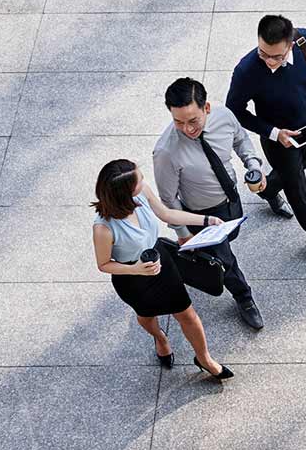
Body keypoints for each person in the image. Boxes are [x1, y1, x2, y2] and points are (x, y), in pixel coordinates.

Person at [91, 159, 233, 380]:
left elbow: (166, 214)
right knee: (147, 317)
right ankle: (160, 338)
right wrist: (137, 270)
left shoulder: (142, 193)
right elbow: (103, 264)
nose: (144, 181)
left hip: (161, 263)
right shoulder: (103, 227)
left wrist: (207, 220)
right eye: (139, 180)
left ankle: (204, 358)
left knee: (187, 313)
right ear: (125, 192)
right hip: (132, 278)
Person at [225, 14, 306, 268]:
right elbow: (234, 110)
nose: (269, 62)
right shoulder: (247, 70)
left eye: (276, 56)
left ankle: (268, 189)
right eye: (263, 53)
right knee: (298, 191)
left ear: (290, 44)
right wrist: (273, 133)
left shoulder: (304, 41)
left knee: (298, 169)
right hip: (279, 140)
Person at [153, 77, 268, 330]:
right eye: (178, 122)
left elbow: (240, 139)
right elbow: (168, 199)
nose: (187, 129)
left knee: (231, 235)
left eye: (193, 120)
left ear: (206, 108)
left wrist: (253, 164)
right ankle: (244, 297)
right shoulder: (165, 151)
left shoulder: (223, 117)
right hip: (201, 214)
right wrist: (183, 234)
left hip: (231, 198)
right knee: (225, 259)